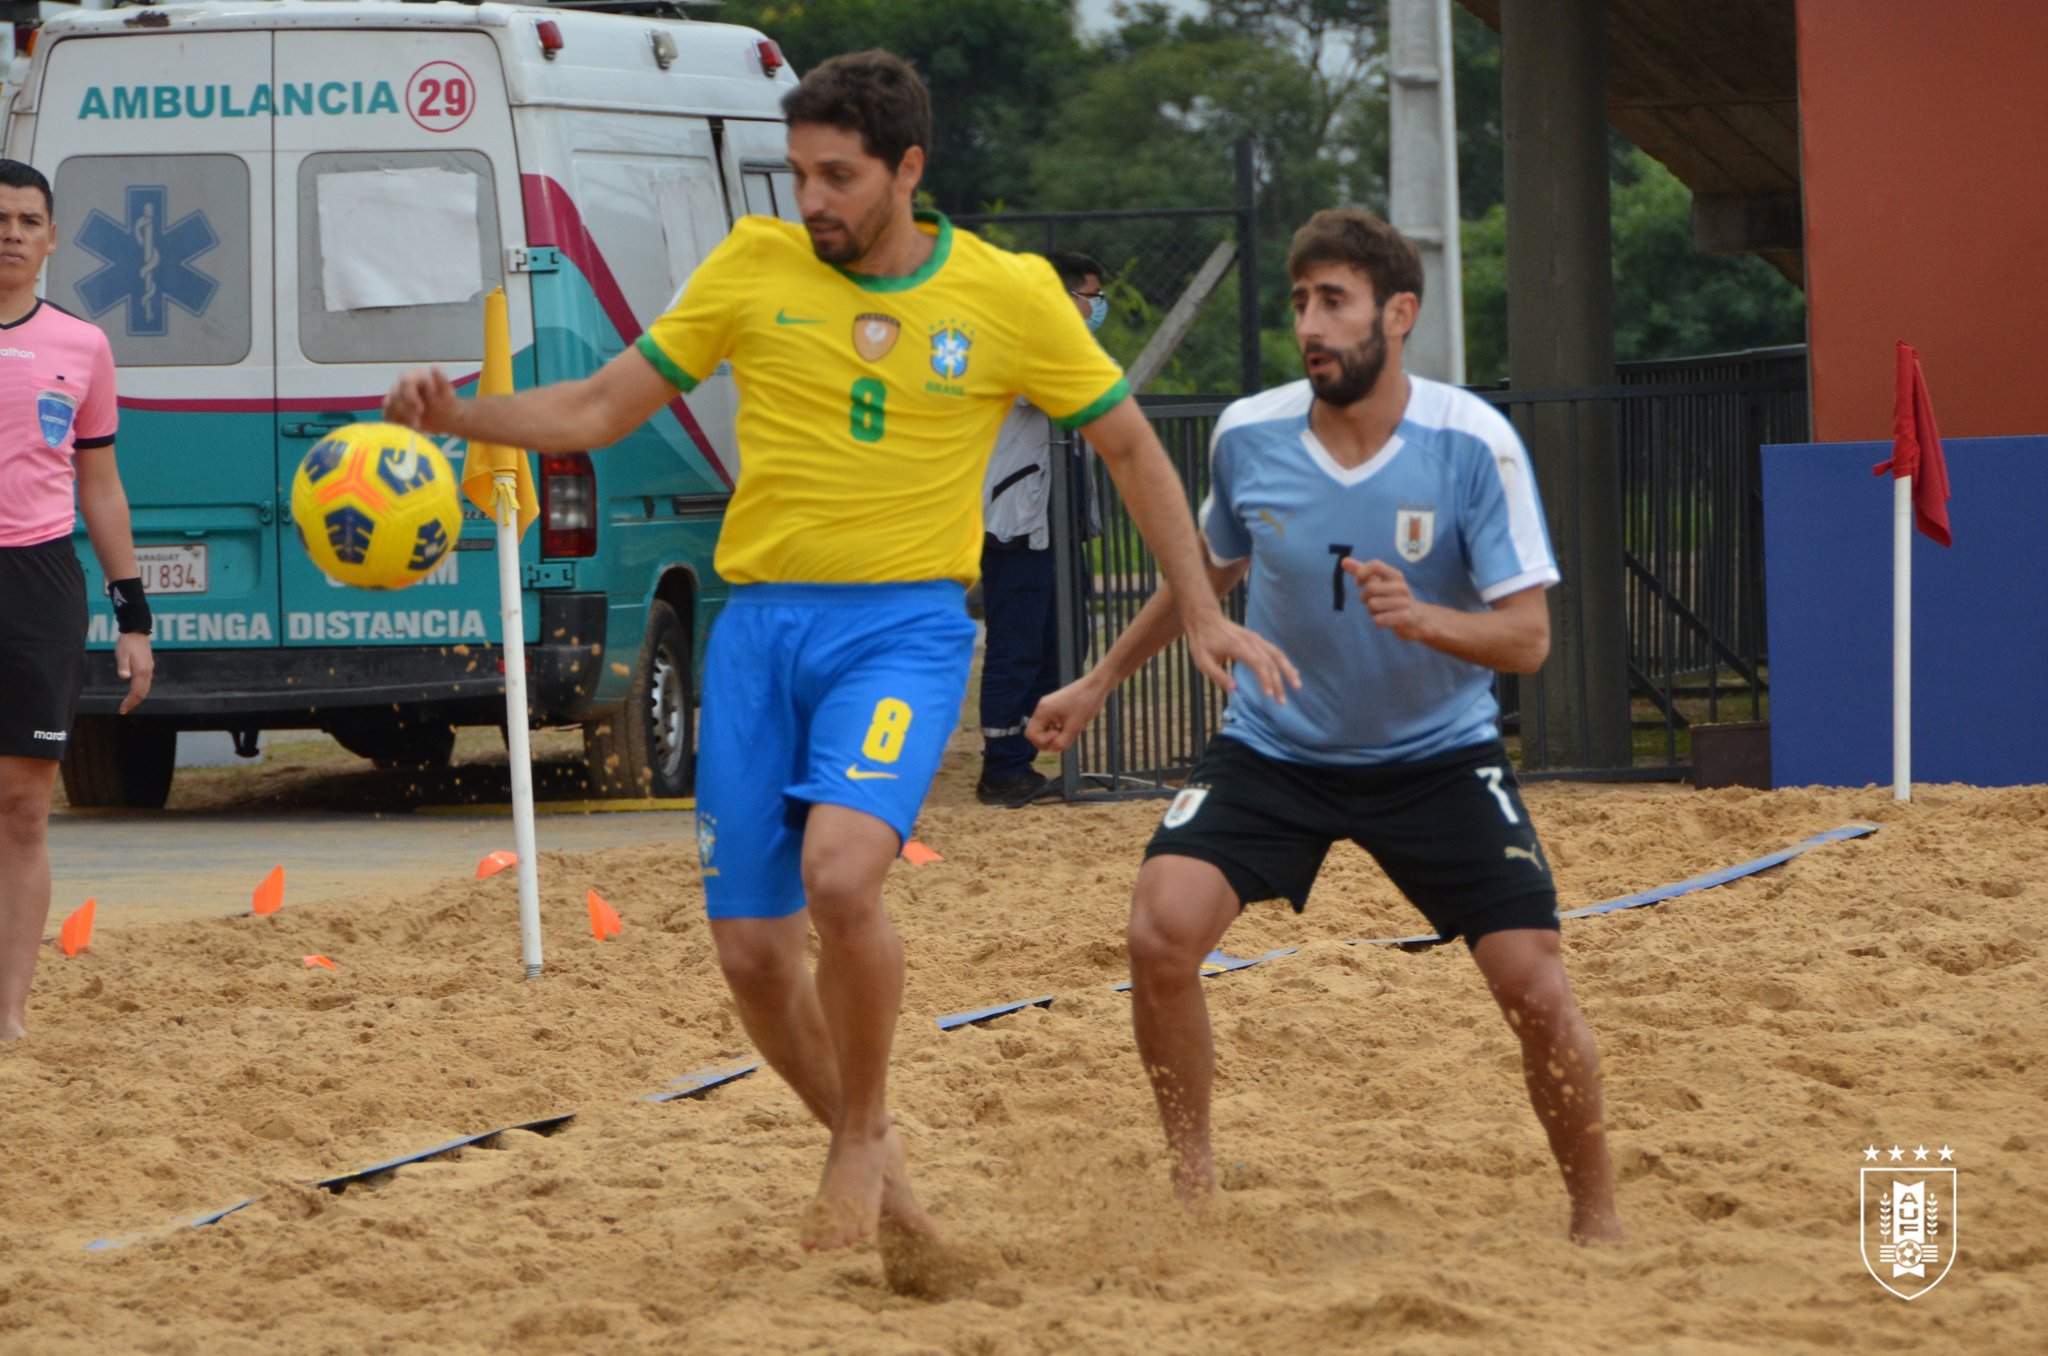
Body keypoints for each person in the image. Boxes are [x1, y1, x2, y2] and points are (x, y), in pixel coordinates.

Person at [384, 51, 1295, 1259]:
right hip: (757, 634)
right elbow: (600, 408)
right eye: (798, 172)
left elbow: (1130, 448)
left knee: (842, 879)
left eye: (838, 176)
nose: (810, 198)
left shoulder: (1004, 293)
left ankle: (860, 1129)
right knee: (753, 956)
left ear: (905, 171)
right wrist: (459, 415)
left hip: (901, 631)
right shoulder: (753, 267)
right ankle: (888, 1177)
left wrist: (1201, 611)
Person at [1029, 207, 1623, 1243]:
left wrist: (1424, 617)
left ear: (1397, 314)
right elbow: (1198, 580)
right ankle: (1192, 1180)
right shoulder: (1248, 434)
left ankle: (1595, 1212)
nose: (1309, 322)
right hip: (1274, 748)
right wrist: (1097, 683)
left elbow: (1525, 641)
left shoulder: (1470, 442)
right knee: (1157, 933)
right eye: (1300, 300)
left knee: (1532, 981)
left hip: (1436, 755)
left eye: (1333, 301)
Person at [0, 159, 154, 1042]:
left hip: (38, 584)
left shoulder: (81, 347)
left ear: (53, 239)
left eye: (29, 220)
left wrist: (133, 614)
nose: (13, 233)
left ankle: (10, 1015)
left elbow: (100, 487)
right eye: (1, 219)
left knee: (22, 805)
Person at [975, 249, 1106, 806]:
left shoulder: (1058, 343)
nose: (1097, 308)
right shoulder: (1020, 341)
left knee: (1064, 638)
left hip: (1057, 523)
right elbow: (1067, 390)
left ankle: (1031, 750)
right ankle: (1002, 767)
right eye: (1091, 298)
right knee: (1017, 645)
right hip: (1020, 523)